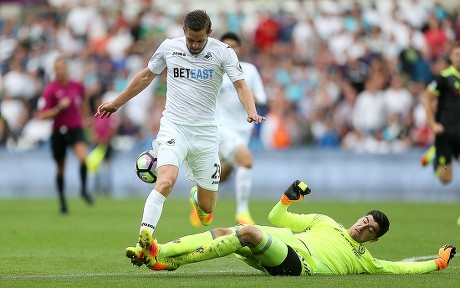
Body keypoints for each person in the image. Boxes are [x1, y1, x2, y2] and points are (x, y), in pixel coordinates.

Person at [95, 10, 265, 265]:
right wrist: (116, 103)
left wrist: (251, 111)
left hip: (207, 134)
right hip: (175, 127)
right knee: (165, 180)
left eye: (199, 40)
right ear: (184, 32)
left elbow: (241, 84)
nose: (194, 45)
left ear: (209, 33)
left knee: (208, 210)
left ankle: (196, 198)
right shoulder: (169, 48)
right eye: (190, 40)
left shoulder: (223, 52)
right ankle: (145, 238)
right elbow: (145, 76)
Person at [131, 180, 456, 276]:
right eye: (365, 220)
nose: (363, 226)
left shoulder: (363, 260)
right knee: (224, 233)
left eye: (370, 230)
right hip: (278, 241)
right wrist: (288, 199)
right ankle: (162, 253)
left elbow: (399, 269)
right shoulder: (327, 221)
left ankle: (169, 260)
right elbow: (278, 217)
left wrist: (437, 263)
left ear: (374, 239)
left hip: (297, 264)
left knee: (247, 233)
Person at [189, 32, 267, 226]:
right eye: (227, 46)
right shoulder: (214, 70)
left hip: (243, 131)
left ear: (241, 49)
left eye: (234, 46)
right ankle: (242, 213)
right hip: (221, 128)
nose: (231, 50)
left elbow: (262, 98)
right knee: (246, 161)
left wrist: (248, 98)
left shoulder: (249, 70)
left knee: (220, 176)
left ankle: (198, 198)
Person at [37, 56, 93, 214]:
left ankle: (83, 189)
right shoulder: (50, 90)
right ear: (55, 71)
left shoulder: (77, 86)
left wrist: (87, 118)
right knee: (61, 168)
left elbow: (83, 102)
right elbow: (42, 115)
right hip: (59, 131)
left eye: (63, 67)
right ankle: (62, 201)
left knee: (83, 159)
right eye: (58, 68)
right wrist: (58, 109)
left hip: (75, 129)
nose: (60, 70)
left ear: (67, 68)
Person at [420, 42, 460, 225]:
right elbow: (427, 99)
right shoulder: (444, 77)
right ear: (451, 57)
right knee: (446, 178)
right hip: (444, 134)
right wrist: (432, 123)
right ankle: (435, 157)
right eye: (457, 54)